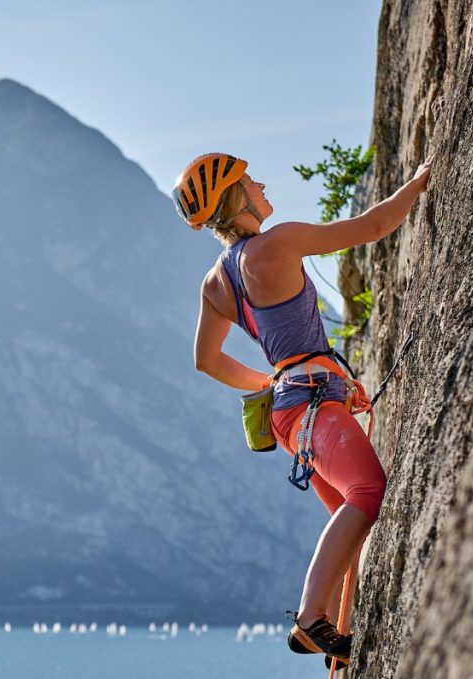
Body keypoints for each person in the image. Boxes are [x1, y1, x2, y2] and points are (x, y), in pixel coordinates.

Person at [172, 152, 432, 661]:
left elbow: (206, 361)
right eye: (249, 180)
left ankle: (339, 632)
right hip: (313, 406)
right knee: (369, 490)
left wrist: (273, 378)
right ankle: (312, 618)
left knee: (350, 517)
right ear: (234, 198)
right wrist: (418, 184)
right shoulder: (278, 243)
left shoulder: (215, 283)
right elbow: (375, 225)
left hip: (292, 416)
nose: (261, 183)